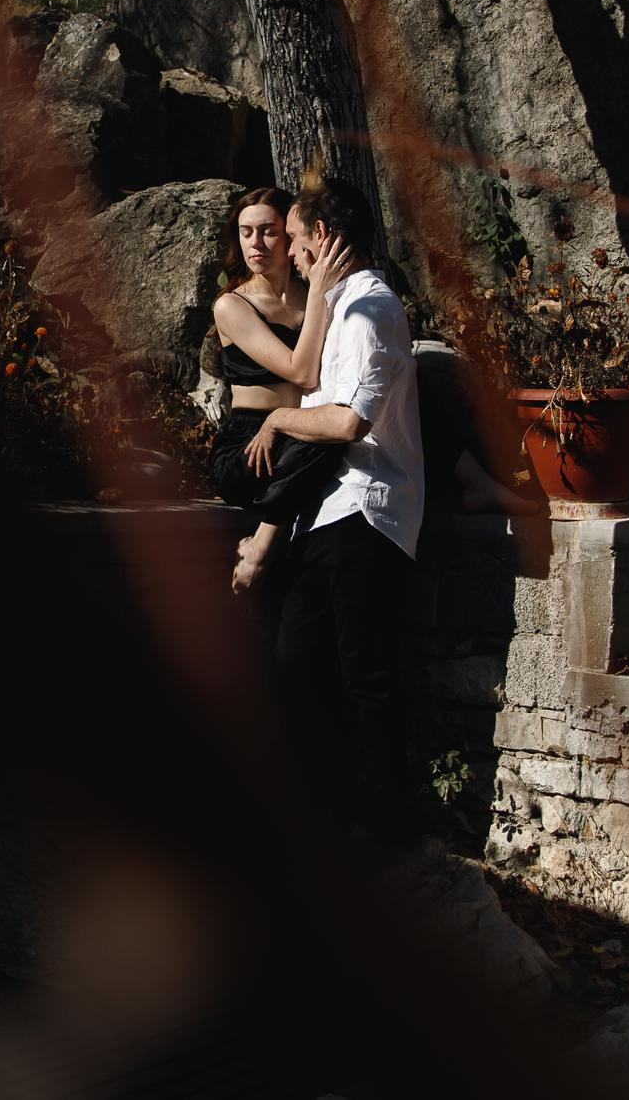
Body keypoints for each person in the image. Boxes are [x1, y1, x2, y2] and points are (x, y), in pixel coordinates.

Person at [230, 178, 427, 832]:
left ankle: (379, 829)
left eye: (293, 236)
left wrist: (284, 422)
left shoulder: (372, 310)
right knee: (296, 665)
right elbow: (314, 384)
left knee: (362, 674)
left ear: (323, 236)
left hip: (369, 511)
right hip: (329, 511)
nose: (288, 249)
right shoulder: (342, 307)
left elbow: (347, 423)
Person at [207, 187, 352, 565]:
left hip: (298, 429)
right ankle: (264, 539)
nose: (255, 243)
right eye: (245, 232)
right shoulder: (232, 305)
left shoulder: (312, 294)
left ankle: (477, 486)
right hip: (250, 444)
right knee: (331, 432)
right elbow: (302, 373)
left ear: (289, 234)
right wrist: (320, 290)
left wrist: (317, 290)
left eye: (268, 230)